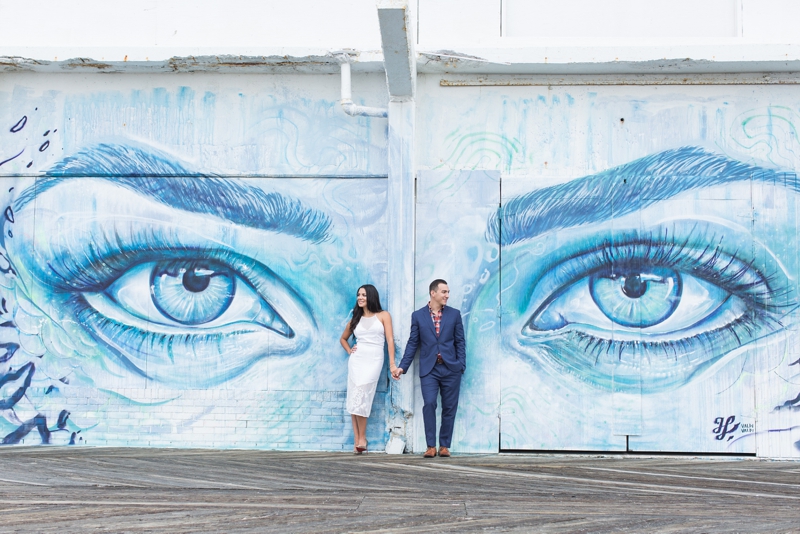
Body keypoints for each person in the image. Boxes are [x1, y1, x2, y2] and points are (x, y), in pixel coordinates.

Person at [392, 279, 466, 458]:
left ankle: (444, 446)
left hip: (450, 369)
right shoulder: (418, 316)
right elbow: (413, 343)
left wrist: (461, 364)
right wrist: (402, 367)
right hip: (429, 370)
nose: (447, 295)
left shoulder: (454, 314)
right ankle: (431, 446)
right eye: (444, 292)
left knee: (449, 407)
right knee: (430, 404)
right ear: (433, 293)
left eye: (448, 292)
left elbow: (460, 342)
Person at [340, 284, 397, 454]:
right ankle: (359, 440)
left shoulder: (383, 316)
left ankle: (362, 437)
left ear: (371, 296)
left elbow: (390, 340)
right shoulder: (355, 319)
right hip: (357, 361)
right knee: (354, 398)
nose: (360, 297)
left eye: (363, 294)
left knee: (362, 396)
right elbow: (343, 339)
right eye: (358, 295)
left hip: (374, 360)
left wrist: (392, 364)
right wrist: (350, 350)